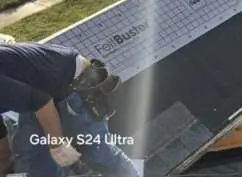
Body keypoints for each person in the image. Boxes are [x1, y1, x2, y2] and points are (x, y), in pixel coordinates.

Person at [0, 39, 139, 177]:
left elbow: (43, 104)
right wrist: (3, 162)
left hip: (73, 83)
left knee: (96, 152)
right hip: (40, 90)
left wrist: (58, 146)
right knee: (35, 154)